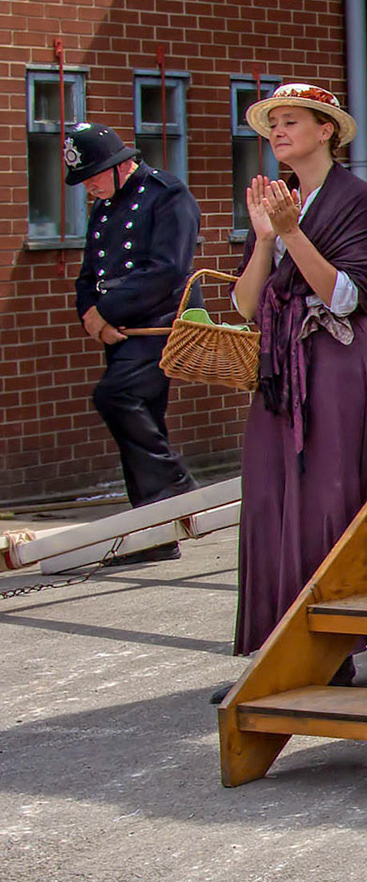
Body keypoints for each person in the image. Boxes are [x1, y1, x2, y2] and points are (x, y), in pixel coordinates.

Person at [225, 83, 367, 680]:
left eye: (291, 121)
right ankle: (277, 647)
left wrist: (293, 233)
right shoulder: (280, 200)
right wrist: (267, 237)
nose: (278, 132)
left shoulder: (356, 199)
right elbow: (245, 304)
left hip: (335, 366)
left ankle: (330, 649)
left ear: (327, 131)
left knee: (323, 498)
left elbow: (350, 299)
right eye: (273, 125)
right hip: (279, 369)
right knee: (270, 496)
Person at [68, 122, 200, 562]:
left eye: (93, 175)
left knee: (116, 397)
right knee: (140, 426)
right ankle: (154, 531)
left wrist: (107, 312)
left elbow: (167, 269)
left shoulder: (167, 194)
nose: (88, 186)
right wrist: (91, 316)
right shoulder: (104, 207)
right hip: (120, 329)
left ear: (121, 165)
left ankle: (176, 482)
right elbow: (89, 272)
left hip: (159, 325)